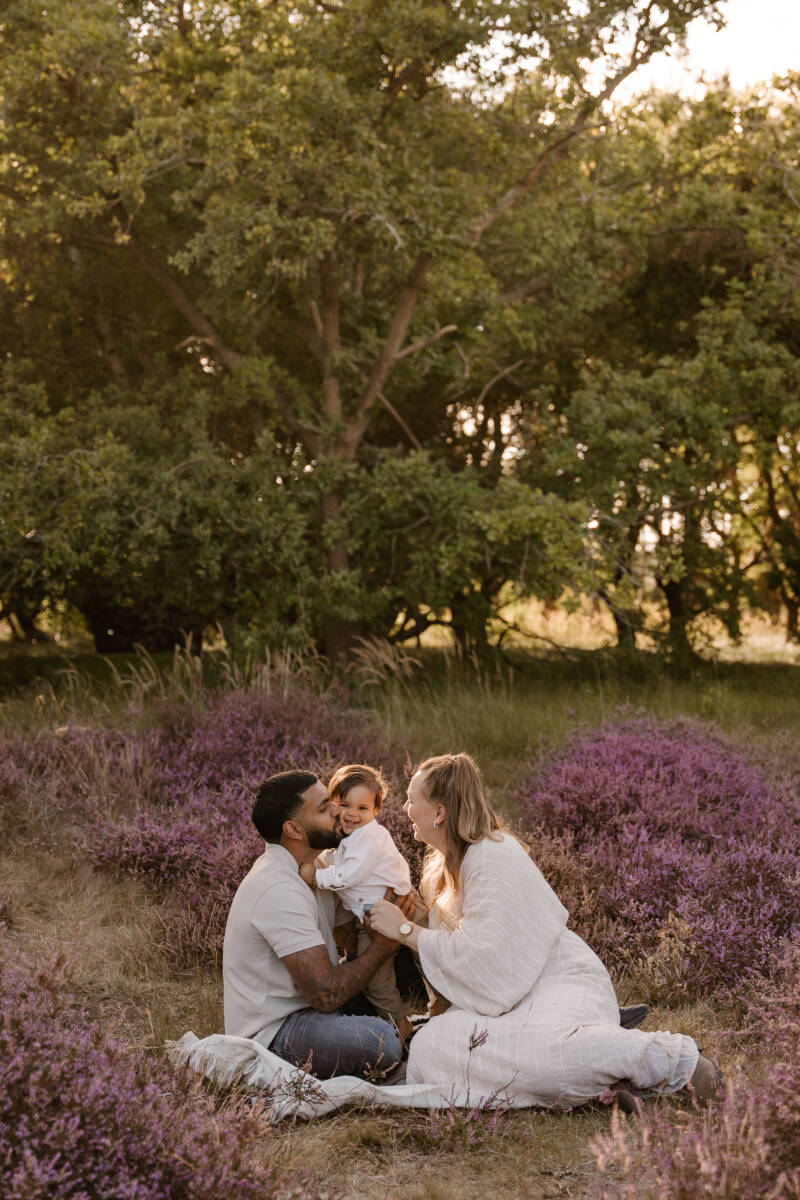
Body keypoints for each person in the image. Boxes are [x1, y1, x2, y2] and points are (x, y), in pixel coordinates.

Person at [365, 753, 721, 1110]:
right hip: (505, 1003)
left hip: (555, 979)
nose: (407, 809)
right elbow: (463, 962)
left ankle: (675, 1062)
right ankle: (604, 1086)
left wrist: (405, 930)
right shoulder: (439, 871)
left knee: (550, 1054)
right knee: (432, 1045)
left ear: (439, 812)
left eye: (412, 801)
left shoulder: (491, 856)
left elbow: (484, 956)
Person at [222, 769, 412, 1080]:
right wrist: (383, 945)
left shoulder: (319, 866)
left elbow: (350, 932)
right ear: (293, 829)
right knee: (381, 1041)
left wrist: (396, 904)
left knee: (406, 963)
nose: (339, 810)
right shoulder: (277, 888)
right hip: (278, 1033)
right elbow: (326, 995)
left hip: (317, 1009)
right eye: (324, 808)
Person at [299, 763, 429, 1043]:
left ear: (376, 811)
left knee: (430, 957)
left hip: (403, 907)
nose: (352, 814)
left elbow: (350, 874)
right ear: (333, 804)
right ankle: (399, 1022)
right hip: (370, 918)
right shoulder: (344, 840)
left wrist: (316, 877)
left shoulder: (370, 836)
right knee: (374, 978)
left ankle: (443, 1004)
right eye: (344, 805)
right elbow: (339, 866)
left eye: (362, 808)